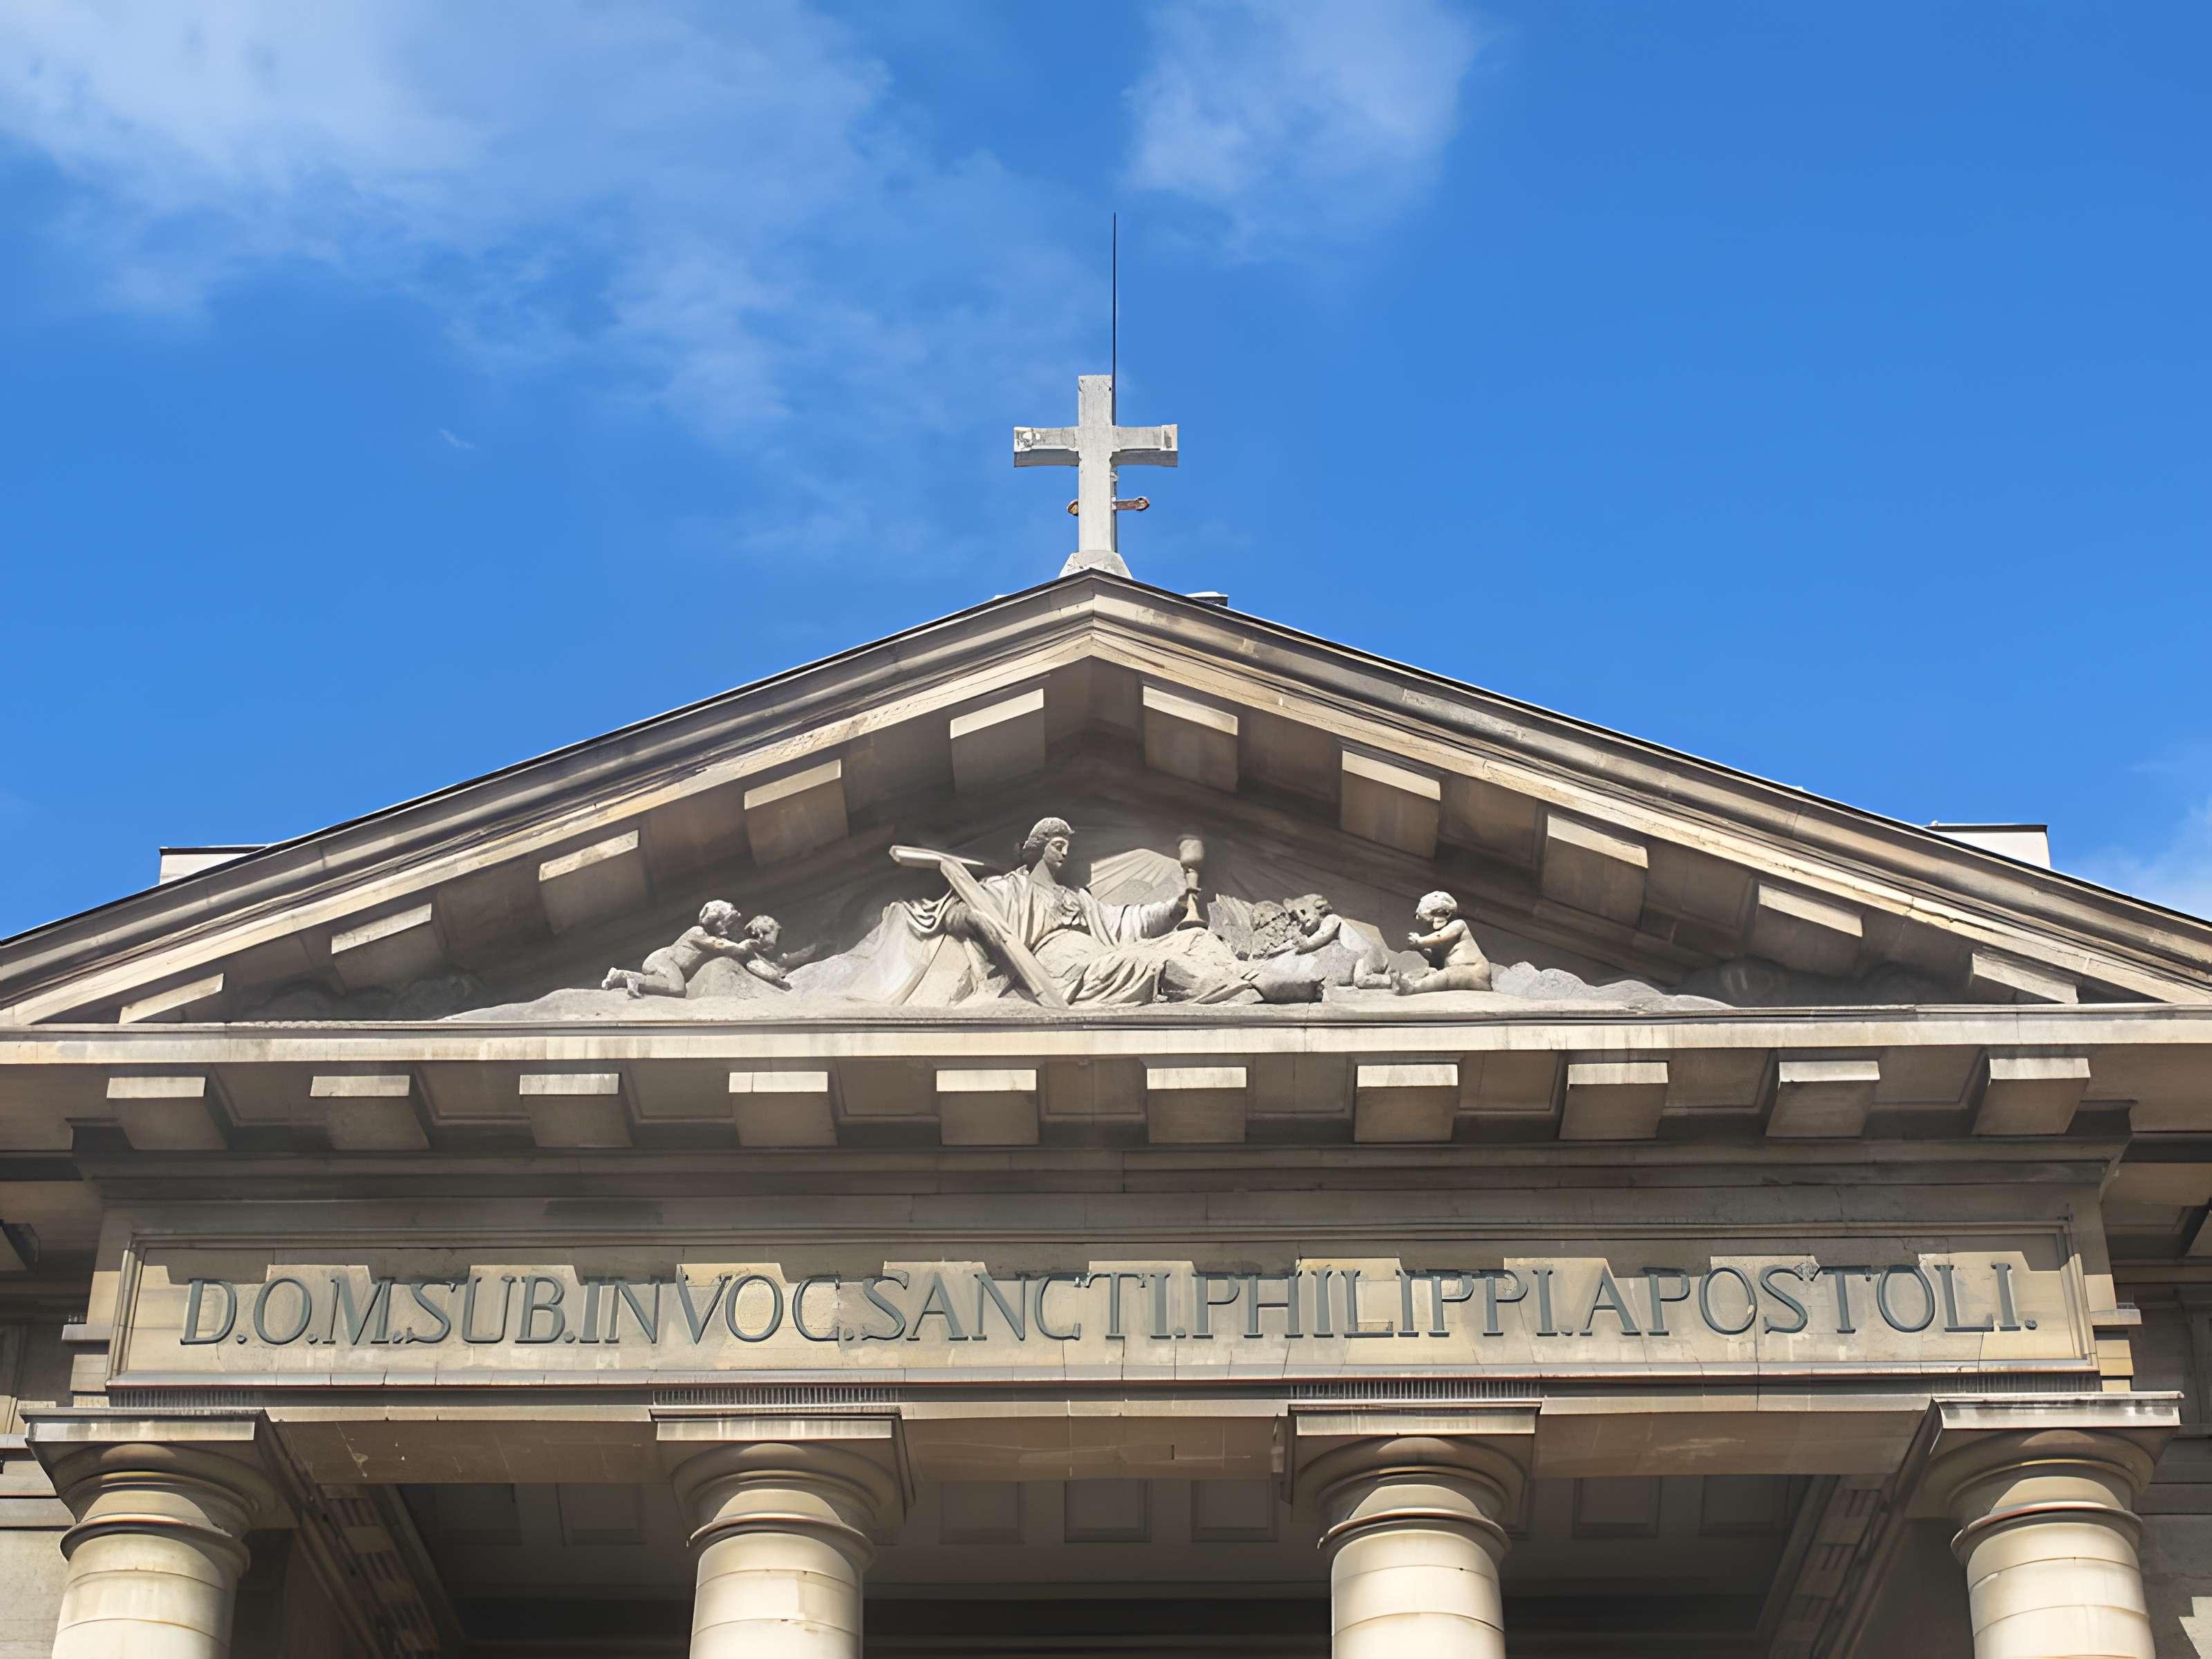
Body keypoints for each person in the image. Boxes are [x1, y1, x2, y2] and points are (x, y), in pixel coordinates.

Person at [601, 903, 790, 999]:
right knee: (677, 989)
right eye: (728, 921)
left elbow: (750, 961)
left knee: (676, 987)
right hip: (663, 961)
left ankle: (627, 978)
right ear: (717, 921)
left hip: (670, 966)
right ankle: (625, 977)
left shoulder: (727, 942)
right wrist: (741, 947)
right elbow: (716, 945)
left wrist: (775, 977)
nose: (732, 925)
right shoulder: (697, 933)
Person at [1393, 891, 1494, 994]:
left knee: (1446, 977)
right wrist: (1421, 949)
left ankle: (1413, 988)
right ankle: (1407, 981)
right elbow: (1435, 957)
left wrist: (1420, 941)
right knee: (1433, 972)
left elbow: (1440, 936)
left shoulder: (1458, 925)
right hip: (1461, 971)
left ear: (1445, 914)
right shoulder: (1444, 938)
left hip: (1473, 970)